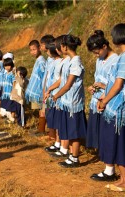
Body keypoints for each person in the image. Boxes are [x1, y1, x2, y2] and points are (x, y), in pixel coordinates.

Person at [95, 23, 125, 192]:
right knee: (116, 142)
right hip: (116, 106)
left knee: (120, 143)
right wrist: (104, 94)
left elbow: (119, 84)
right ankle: (123, 179)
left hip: (119, 108)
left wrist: (105, 101)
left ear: (117, 37)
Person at [85, 30, 119, 182]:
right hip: (97, 101)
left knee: (107, 136)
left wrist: (103, 87)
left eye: (97, 51)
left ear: (105, 46)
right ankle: (107, 166)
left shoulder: (116, 60)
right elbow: (98, 79)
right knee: (100, 135)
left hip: (108, 103)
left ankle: (110, 170)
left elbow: (116, 85)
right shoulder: (100, 59)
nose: (96, 55)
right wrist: (93, 87)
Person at [49, 35, 87, 168]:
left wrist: (56, 95)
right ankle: (71, 155)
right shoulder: (70, 61)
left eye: (59, 46)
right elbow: (63, 81)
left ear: (64, 47)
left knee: (74, 132)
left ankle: (75, 157)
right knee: (70, 130)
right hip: (67, 102)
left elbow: (68, 84)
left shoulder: (76, 62)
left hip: (73, 103)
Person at [45, 35, 70, 153]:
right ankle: (57, 143)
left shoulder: (62, 62)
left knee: (60, 122)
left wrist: (51, 90)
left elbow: (61, 80)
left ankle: (62, 146)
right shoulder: (58, 61)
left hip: (60, 96)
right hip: (55, 95)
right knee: (56, 121)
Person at [25, 40, 46, 134]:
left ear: (39, 48)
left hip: (41, 91)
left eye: (34, 49)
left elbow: (44, 77)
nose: (32, 52)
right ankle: (40, 128)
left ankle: (42, 130)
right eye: (31, 50)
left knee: (43, 110)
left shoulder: (41, 61)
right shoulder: (38, 60)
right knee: (41, 110)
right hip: (39, 91)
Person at [0, 58, 15, 122]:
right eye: (6, 66)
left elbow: (14, 82)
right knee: (5, 104)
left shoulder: (12, 74)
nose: (7, 67)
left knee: (10, 105)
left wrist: (13, 91)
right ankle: (7, 115)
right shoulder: (5, 74)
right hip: (5, 92)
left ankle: (11, 117)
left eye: (9, 65)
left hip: (10, 91)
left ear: (11, 65)